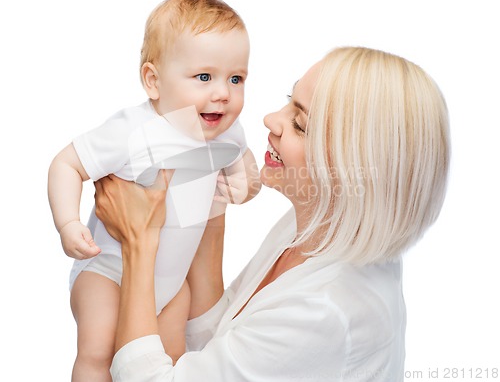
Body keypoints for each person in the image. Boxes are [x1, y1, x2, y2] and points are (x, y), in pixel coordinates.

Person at [94, 46, 450, 381]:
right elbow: (222, 339)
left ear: (353, 167)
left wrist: (139, 242)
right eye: (288, 102)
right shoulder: (320, 226)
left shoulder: (326, 311)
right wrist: (212, 204)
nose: (270, 120)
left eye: (300, 124)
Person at [47, 0, 260, 382]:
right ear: (153, 81)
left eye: (236, 78)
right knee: (98, 352)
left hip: (173, 283)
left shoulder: (229, 133)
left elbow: (243, 165)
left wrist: (246, 185)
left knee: (169, 359)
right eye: (204, 77)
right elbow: (67, 163)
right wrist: (67, 223)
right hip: (110, 270)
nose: (223, 93)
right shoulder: (133, 131)